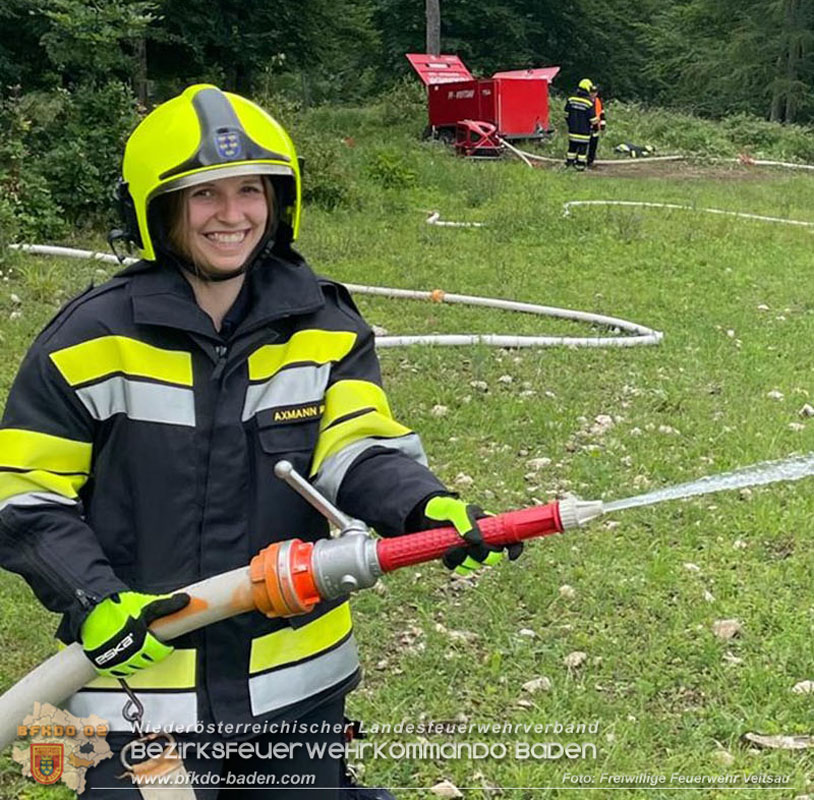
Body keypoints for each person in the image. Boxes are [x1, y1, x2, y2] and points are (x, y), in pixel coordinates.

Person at [0, 84, 522, 799]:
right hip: (138, 702)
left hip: (295, 694)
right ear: (156, 208)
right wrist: (93, 595)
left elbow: (355, 445)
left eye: (251, 190)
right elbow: (25, 492)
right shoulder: (90, 341)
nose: (233, 215)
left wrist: (425, 508)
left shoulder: (322, 325)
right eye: (204, 195)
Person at [564, 78, 599, 171]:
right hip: (584, 132)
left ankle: (569, 164)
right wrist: (595, 129)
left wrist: (570, 125)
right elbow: (593, 119)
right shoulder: (588, 103)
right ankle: (580, 166)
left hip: (572, 131)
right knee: (582, 150)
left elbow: (566, 115)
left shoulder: (571, 100)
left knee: (572, 148)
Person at [587, 85, 606, 168]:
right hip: (587, 126)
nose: (593, 94)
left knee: (593, 144)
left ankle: (591, 161)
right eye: (591, 92)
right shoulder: (586, 101)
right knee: (584, 144)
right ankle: (582, 160)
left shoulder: (599, 101)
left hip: (596, 126)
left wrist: (602, 124)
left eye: (594, 92)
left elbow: (602, 113)